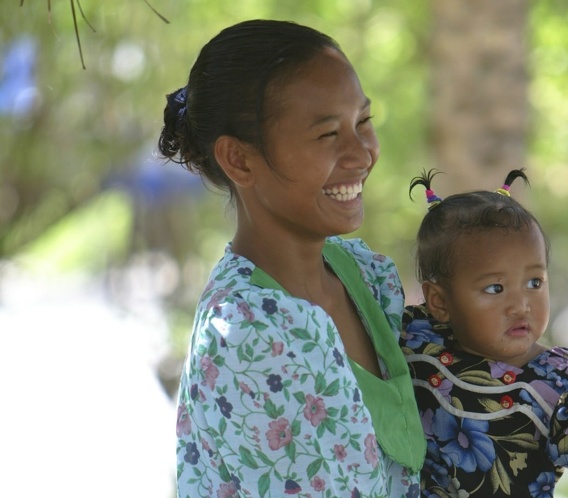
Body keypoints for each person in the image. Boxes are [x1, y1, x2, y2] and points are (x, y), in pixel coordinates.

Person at [158, 19, 425, 498]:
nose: (362, 153)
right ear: (238, 160)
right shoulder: (248, 334)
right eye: (327, 135)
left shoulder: (360, 275)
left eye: (363, 121)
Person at [400, 169, 568, 497]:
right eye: (496, 287)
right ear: (439, 301)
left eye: (534, 283)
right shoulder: (415, 337)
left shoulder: (560, 379)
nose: (521, 305)